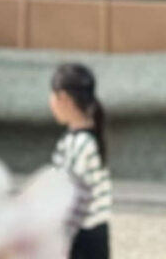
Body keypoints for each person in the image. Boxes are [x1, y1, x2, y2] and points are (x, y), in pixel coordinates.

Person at [48, 63, 112, 259]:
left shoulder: (80, 144)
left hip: (83, 236)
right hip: (90, 232)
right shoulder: (80, 138)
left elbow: (75, 196)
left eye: (52, 95)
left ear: (63, 98)